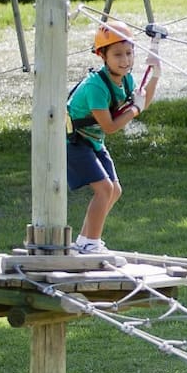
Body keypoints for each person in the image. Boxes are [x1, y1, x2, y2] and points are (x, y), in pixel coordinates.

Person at [66, 19, 160, 254]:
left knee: (114, 190)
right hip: (72, 142)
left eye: (129, 53)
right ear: (102, 55)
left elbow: (143, 102)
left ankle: (85, 241)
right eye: (117, 54)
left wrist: (155, 75)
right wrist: (134, 110)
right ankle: (91, 243)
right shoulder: (95, 87)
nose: (125, 60)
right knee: (104, 189)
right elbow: (109, 126)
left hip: (93, 141)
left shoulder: (126, 79)